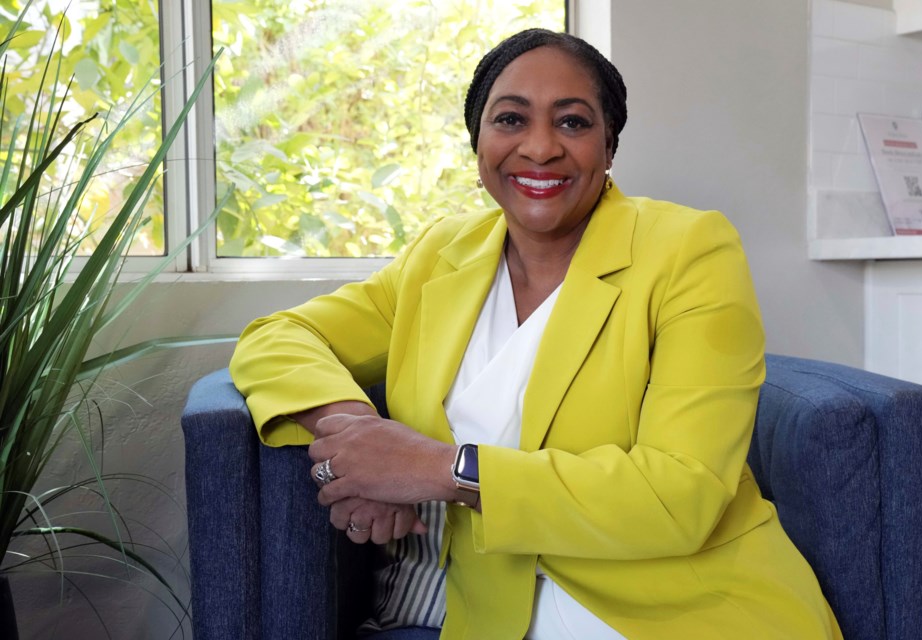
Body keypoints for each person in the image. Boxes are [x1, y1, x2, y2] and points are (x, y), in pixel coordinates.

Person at [230, 28, 843, 640]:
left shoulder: (688, 251)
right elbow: (278, 337)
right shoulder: (441, 254)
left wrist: (442, 470)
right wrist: (365, 446)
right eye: (510, 119)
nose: (541, 147)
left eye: (573, 123)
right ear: (479, 143)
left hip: (677, 607)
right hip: (481, 608)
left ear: (610, 145)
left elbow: (679, 495)